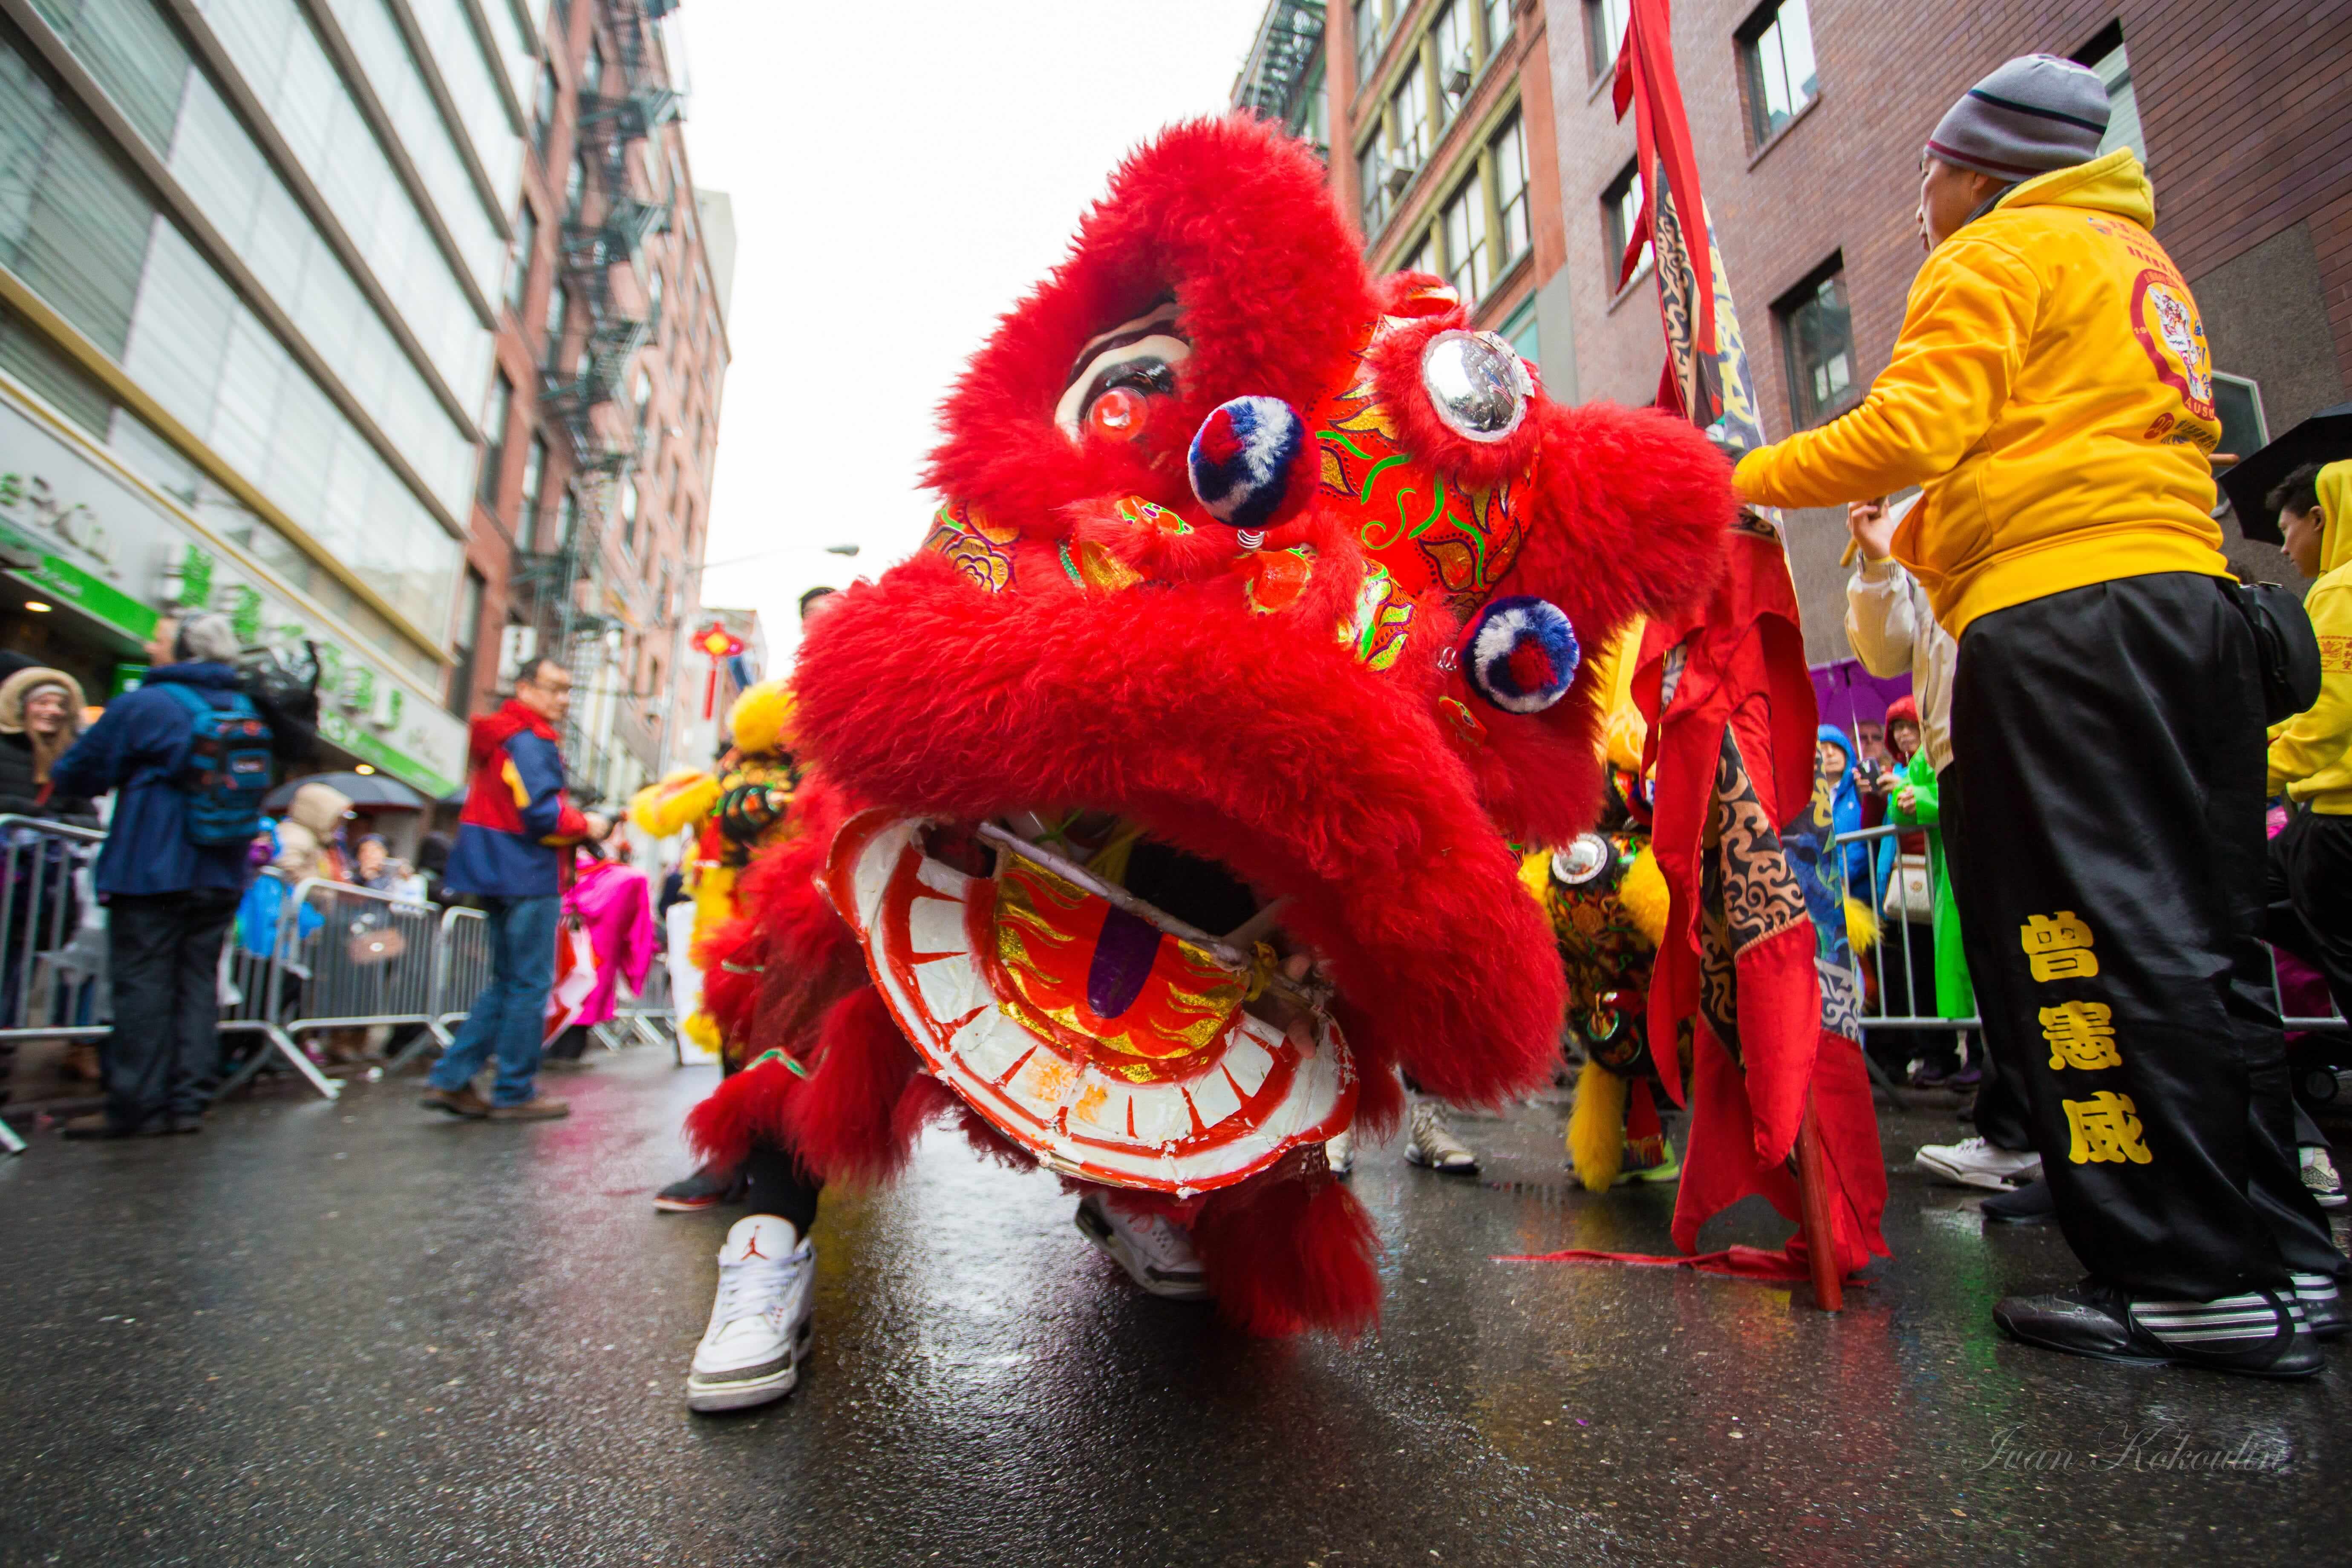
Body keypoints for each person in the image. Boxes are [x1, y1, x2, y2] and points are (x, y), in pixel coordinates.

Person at [1729, 54, 2343, 1375]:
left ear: (1983, 170)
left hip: (2065, 618)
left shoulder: (1999, 253)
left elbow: (1911, 424)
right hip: (2187, 606)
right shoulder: (2137, 261)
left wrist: (1743, 470)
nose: (1921, 203)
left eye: (1930, 172)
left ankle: (2180, 1276)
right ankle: (2276, 1253)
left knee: (2086, 943)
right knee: (2207, 939)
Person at [48, 613, 262, 1138]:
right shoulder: (245, 707)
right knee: (195, 986)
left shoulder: (147, 704)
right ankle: (188, 1101)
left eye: (160, 638)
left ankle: (136, 1104)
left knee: (142, 984)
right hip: (220, 869)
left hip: (152, 863)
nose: (149, 644)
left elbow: (79, 770)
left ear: (184, 650)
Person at [419, 657, 606, 1121]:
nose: (563, 698)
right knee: (528, 984)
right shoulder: (529, 738)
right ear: (525, 688)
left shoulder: (505, 735)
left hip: (495, 868)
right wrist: (590, 824)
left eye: (567, 689)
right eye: (555, 688)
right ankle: (514, 1088)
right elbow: (545, 817)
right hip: (527, 872)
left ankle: (453, 1078)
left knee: (509, 982)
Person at [2261, 461, 2352, 1209]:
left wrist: (2245, 775)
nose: (2286, 546)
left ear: (2320, 516)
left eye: (2289, 528)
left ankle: (2301, 1151)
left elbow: (2324, 714)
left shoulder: (2340, 591)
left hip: (2337, 823)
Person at [542, 843, 656, 1069]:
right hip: (599, 959)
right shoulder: (627, 880)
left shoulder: (555, 870)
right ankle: (568, 1053)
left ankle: (553, 1051)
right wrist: (636, 971)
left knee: (557, 995)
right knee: (583, 998)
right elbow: (640, 933)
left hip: (564, 954)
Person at [0, 666, 98, 827]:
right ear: (22, 708)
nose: (53, 711)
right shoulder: (4, 748)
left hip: (42, 849)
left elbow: (91, 819)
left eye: (61, 706)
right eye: (43, 703)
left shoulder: (69, 760)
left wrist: (59, 823)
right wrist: (20, 809)